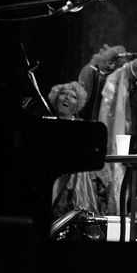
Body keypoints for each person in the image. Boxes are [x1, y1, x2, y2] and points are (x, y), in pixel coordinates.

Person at [48, 81, 110, 218]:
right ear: (56, 99)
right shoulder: (46, 124)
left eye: (73, 96)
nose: (67, 98)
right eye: (63, 94)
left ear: (77, 106)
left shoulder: (83, 128)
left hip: (75, 180)